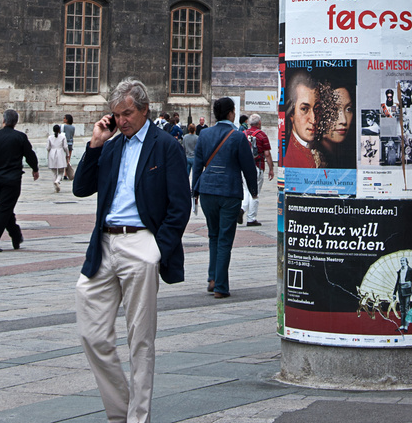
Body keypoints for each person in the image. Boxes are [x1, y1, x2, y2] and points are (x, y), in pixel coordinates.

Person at [73, 77, 190, 423]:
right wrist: (95, 142)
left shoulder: (166, 146)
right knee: (91, 333)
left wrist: (157, 249)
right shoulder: (110, 145)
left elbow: (179, 206)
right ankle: (121, 409)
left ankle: (137, 418)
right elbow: (81, 188)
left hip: (141, 243)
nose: (121, 120)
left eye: (127, 113)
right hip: (105, 243)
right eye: (116, 114)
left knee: (140, 340)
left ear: (144, 109)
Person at [191, 97, 257, 298]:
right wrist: (253, 191)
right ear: (230, 113)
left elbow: (197, 165)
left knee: (213, 235)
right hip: (229, 192)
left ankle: (212, 278)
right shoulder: (238, 137)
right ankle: (220, 286)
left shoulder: (205, 134)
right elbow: (248, 167)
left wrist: (195, 190)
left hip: (208, 191)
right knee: (225, 239)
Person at [0, 109, 39, 252]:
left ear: (4, 120)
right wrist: (35, 168)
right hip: (13, 179)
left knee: (5, 208)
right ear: (15, 122)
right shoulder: (20, 137)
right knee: (4, 209)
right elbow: (29, 154)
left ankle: (16, 235)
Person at [241, 113, 274, 226]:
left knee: (246, 190)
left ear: (249, 123)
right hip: (257, 166)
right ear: (259, 123)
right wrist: (271, 168)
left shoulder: (243, 134)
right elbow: (267, 153)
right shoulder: (262, 135)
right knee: (255, 192)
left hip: (244, 167)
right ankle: (251, 218)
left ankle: (242, 209)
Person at [284, 71, 320, 168]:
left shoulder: (315, 147)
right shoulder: (290, 156)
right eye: (304, 109)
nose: (313, 120)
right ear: (291, 113)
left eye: (316, 109)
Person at [316, 83, 355, 168]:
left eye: (348, 109)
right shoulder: (313, 160)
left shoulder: (350, 156)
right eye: (334, 109)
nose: (343, 120)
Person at [393, 256, 412, 331]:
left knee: (406, 308)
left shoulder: (410, 270)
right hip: (400, 290)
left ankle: (406, 325)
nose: (402, 262)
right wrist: (394, 293)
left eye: (403, 260)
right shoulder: (400, 271)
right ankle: (402, 325)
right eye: (401, 261)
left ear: (406, 261)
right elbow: (397, 281)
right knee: (402, 308)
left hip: (407, 291)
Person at [47, 124, 69, 192]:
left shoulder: (50, 137)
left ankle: (55, 188)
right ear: (59, 130)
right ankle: (57, 180)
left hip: (52, 153)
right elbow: (65, 147)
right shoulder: (63, 137)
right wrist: (67, 154)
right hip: (60, 153)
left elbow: (48, 147)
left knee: (54, 172)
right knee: (61, 171)